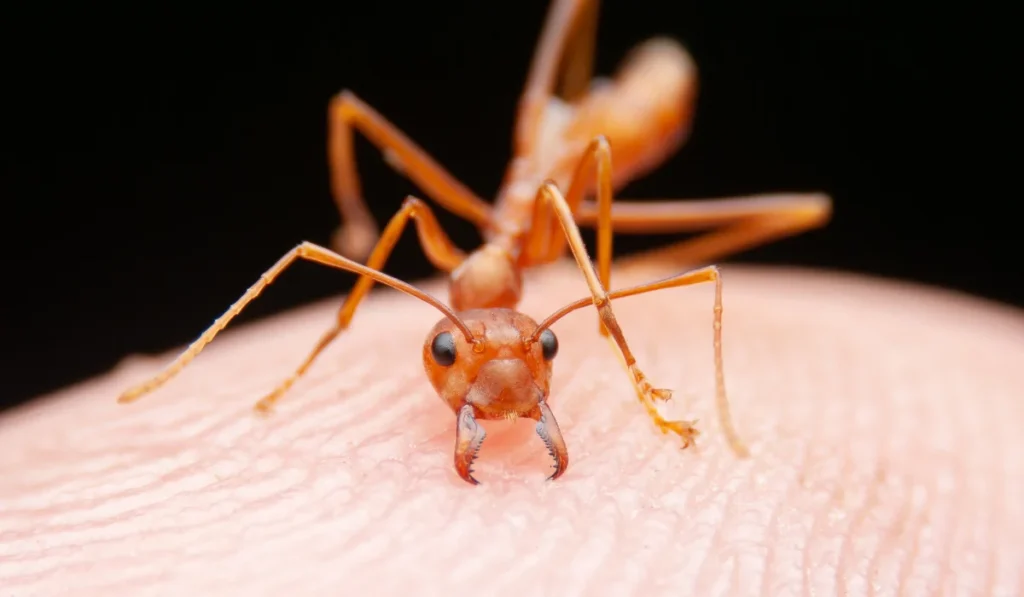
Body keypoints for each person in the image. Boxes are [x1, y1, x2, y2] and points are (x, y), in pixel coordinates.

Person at [1, 254, 1020, 595]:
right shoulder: (461, 278)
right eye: (457, 356)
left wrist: (632, 367)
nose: (494, 383)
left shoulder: (541, 250)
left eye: (533, 358)